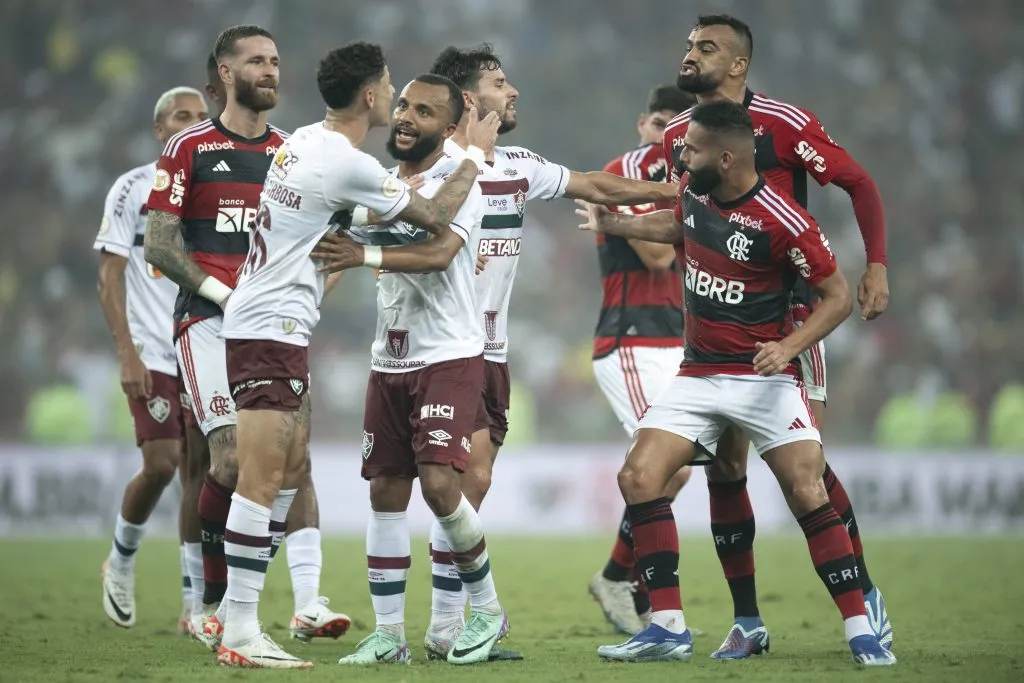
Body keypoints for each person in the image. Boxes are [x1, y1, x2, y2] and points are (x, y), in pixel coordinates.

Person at [579, 100, 896, 667]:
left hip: (762, 376)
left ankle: (860, 629)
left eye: (692, 150)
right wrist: (614, 223)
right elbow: (674, 225)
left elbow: (837, 298)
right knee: (639, 476)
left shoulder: (786, 220)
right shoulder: (695, 193)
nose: (680, 157)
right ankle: (668, 628)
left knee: (807, 489)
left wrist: (789, 348)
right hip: (698, 373)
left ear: (726, 158)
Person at [421, 44, 680, 656]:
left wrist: (674, 193)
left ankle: (446, 627)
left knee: (474, 482)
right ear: (467, 99)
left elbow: (593, 184)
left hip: (491, 351)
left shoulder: (518, 163)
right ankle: (445, 626)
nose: (512, 91)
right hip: (440, 348)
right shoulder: (433, 170)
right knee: (445, 485)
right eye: (499, 82)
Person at [665, 14, 892, 657]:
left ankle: (863, 594)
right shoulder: (681, 136)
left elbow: (857, 182)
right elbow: (680, 218)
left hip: (788, 319)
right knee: (724, 466)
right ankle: (747, 620)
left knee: (804, 468)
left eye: (706, 47)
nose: (691, 54)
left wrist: (876, 264)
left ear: (738, 65)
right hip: (716, 328)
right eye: (690, 44)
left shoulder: (784, 123)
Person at [144, 25, 348, 651]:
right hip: (208, 321)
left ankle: (302, 603)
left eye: (276, 61)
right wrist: (227, 296)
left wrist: (305, 297)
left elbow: (333, 244)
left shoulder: (293, 153)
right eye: (256, 61)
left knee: (292, 462)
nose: (270, 70)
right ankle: (213, 603)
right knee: (230, 461)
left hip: (276, 327)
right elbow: (160, 244)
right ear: (226, 74)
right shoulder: (189, 147)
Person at [312, 66, 515, 663]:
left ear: (450, 129)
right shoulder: (382, 183)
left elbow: (440, 250)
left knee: (440, 484)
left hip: (448, 353)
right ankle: (389, 637)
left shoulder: (461, 181)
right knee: (385, 490)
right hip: (390, 356)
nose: (405, 117)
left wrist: (363, 254)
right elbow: (342, 229)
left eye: (424, 112)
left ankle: (488, 610)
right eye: (403, 105)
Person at [587, 84, 697, 637]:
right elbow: (656, 256)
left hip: (677, 341)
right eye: (658, 123)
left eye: (676, 127)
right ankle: (624, 583)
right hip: (630, 341)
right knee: (664, 468)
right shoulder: (623, 173)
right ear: (641, 123)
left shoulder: (694, 180)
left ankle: (628, 585)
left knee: (674, 472)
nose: (664, 136)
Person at [96, 86, 208, 631]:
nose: (194, 123)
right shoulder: (133, 188)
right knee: (163, 462)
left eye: (202, 116)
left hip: (202, 343)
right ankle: (120, 560)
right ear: (160, 130)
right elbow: (109, 275)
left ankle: (194, 604)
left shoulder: (217, 189)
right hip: (153, 349)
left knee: (200, 473)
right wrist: (127, 353)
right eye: (182, 116)